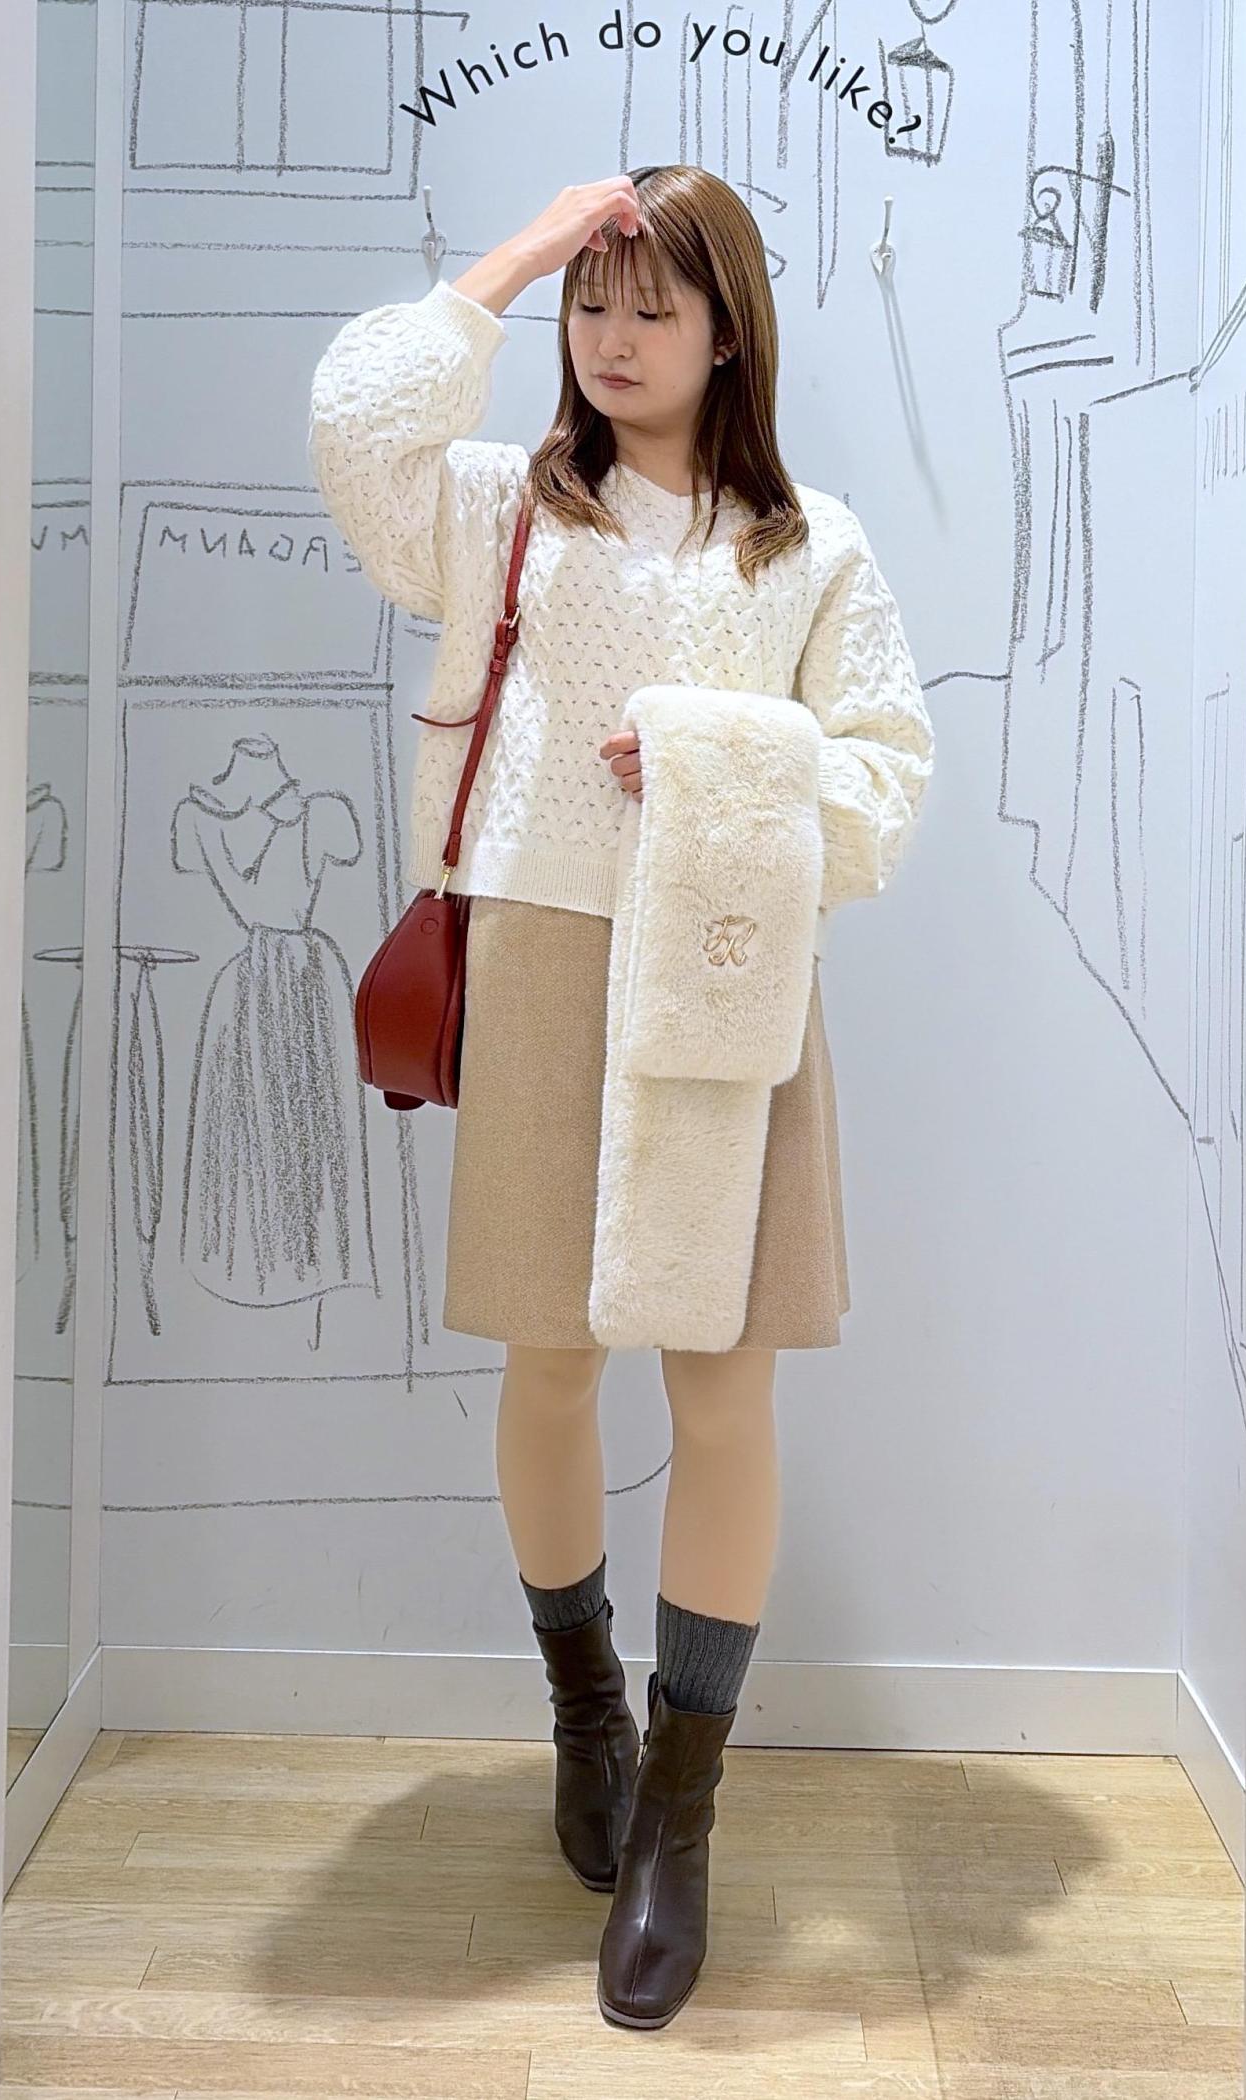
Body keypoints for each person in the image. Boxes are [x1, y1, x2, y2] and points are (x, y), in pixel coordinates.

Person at [308, 165, 935, 2031]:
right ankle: (584, 1712)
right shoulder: (501, 506)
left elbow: (888, 780)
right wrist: (519, 254)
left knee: (724, 1390)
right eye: (595, 303)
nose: (614, 336)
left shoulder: (811, 546)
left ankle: (682, 1807)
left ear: (730, 328)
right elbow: (357, 425)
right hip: (541, 956)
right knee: (551, 1361)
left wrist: (717, 767)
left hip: (730, 986)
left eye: (656, 304)